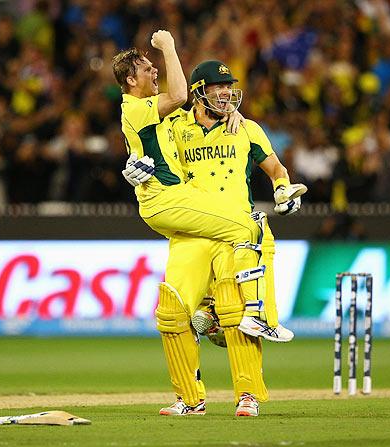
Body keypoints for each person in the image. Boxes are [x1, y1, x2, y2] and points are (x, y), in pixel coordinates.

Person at [113, 33, 305, 417]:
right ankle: (190, 398)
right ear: (200, 92)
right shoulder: (176, 124)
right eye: (217, 90)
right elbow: (145, 142)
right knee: (171, 312)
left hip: (231, 230)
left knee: (237, 313)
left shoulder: (246, 127)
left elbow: (277, 170)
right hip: (192, 228)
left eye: (228, 91)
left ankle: (247, 395)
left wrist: (284, 189)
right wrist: (134, 168)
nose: (225, 97)